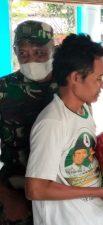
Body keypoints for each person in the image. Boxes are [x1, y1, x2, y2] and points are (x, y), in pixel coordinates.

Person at [24, 34, 103, 225]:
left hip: (91, 216)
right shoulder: (53, 122)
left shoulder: (83, 109)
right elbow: (36, 189)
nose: (101, 86)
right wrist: (101, 192)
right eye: (98, 78)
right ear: (75, 77)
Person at [0, 20, 57, 225]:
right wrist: (5, 195)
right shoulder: (4, 89)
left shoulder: (70, 85)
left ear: (53, 47)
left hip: (62, 194)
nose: (31, 59)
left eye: (39, 51)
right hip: (16, 193)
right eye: (23, 53)